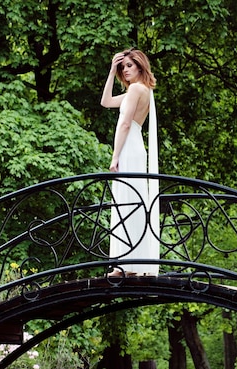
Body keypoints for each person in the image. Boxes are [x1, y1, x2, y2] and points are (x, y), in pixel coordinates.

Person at [101, 48, 160, 277]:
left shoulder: (136, 89)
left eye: (129, 66)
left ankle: (126, 265)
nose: (125, 71)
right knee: (130, 201)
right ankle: (130, 264)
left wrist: (115, 156)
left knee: (128, 202)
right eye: (122, 67)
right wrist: (110, 72)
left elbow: (125, 124)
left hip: (128, 147)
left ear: (140, 66)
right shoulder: (141, 90)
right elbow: (106, 101)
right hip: (134, 147)